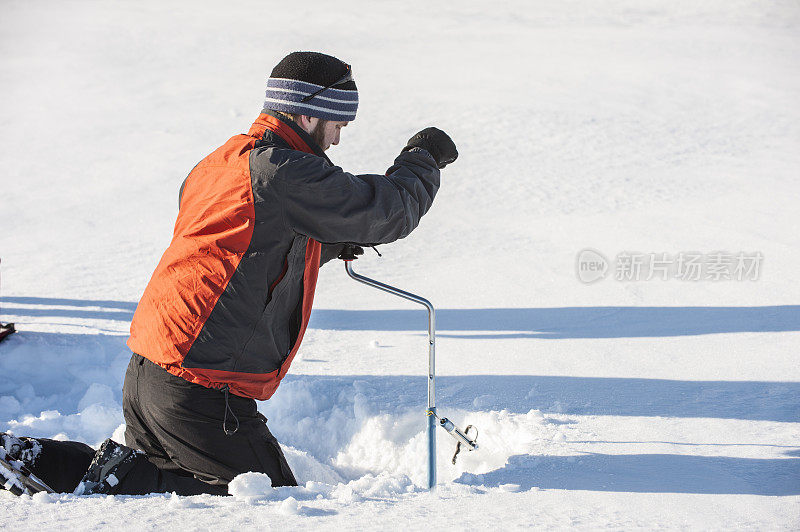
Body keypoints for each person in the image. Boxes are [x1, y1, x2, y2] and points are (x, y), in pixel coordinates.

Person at [1, 51, 457, 496]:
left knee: (161, 491)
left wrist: (323, 241)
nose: (337, 140)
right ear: (308, 116)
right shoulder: (282, 171)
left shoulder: (224, 161)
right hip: (200, 389)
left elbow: (234, 243)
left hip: (151, 373)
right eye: (337, 125)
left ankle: (37, 462)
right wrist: (422, 157)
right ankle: (45, 464)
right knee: (270, 503)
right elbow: (387, 211)